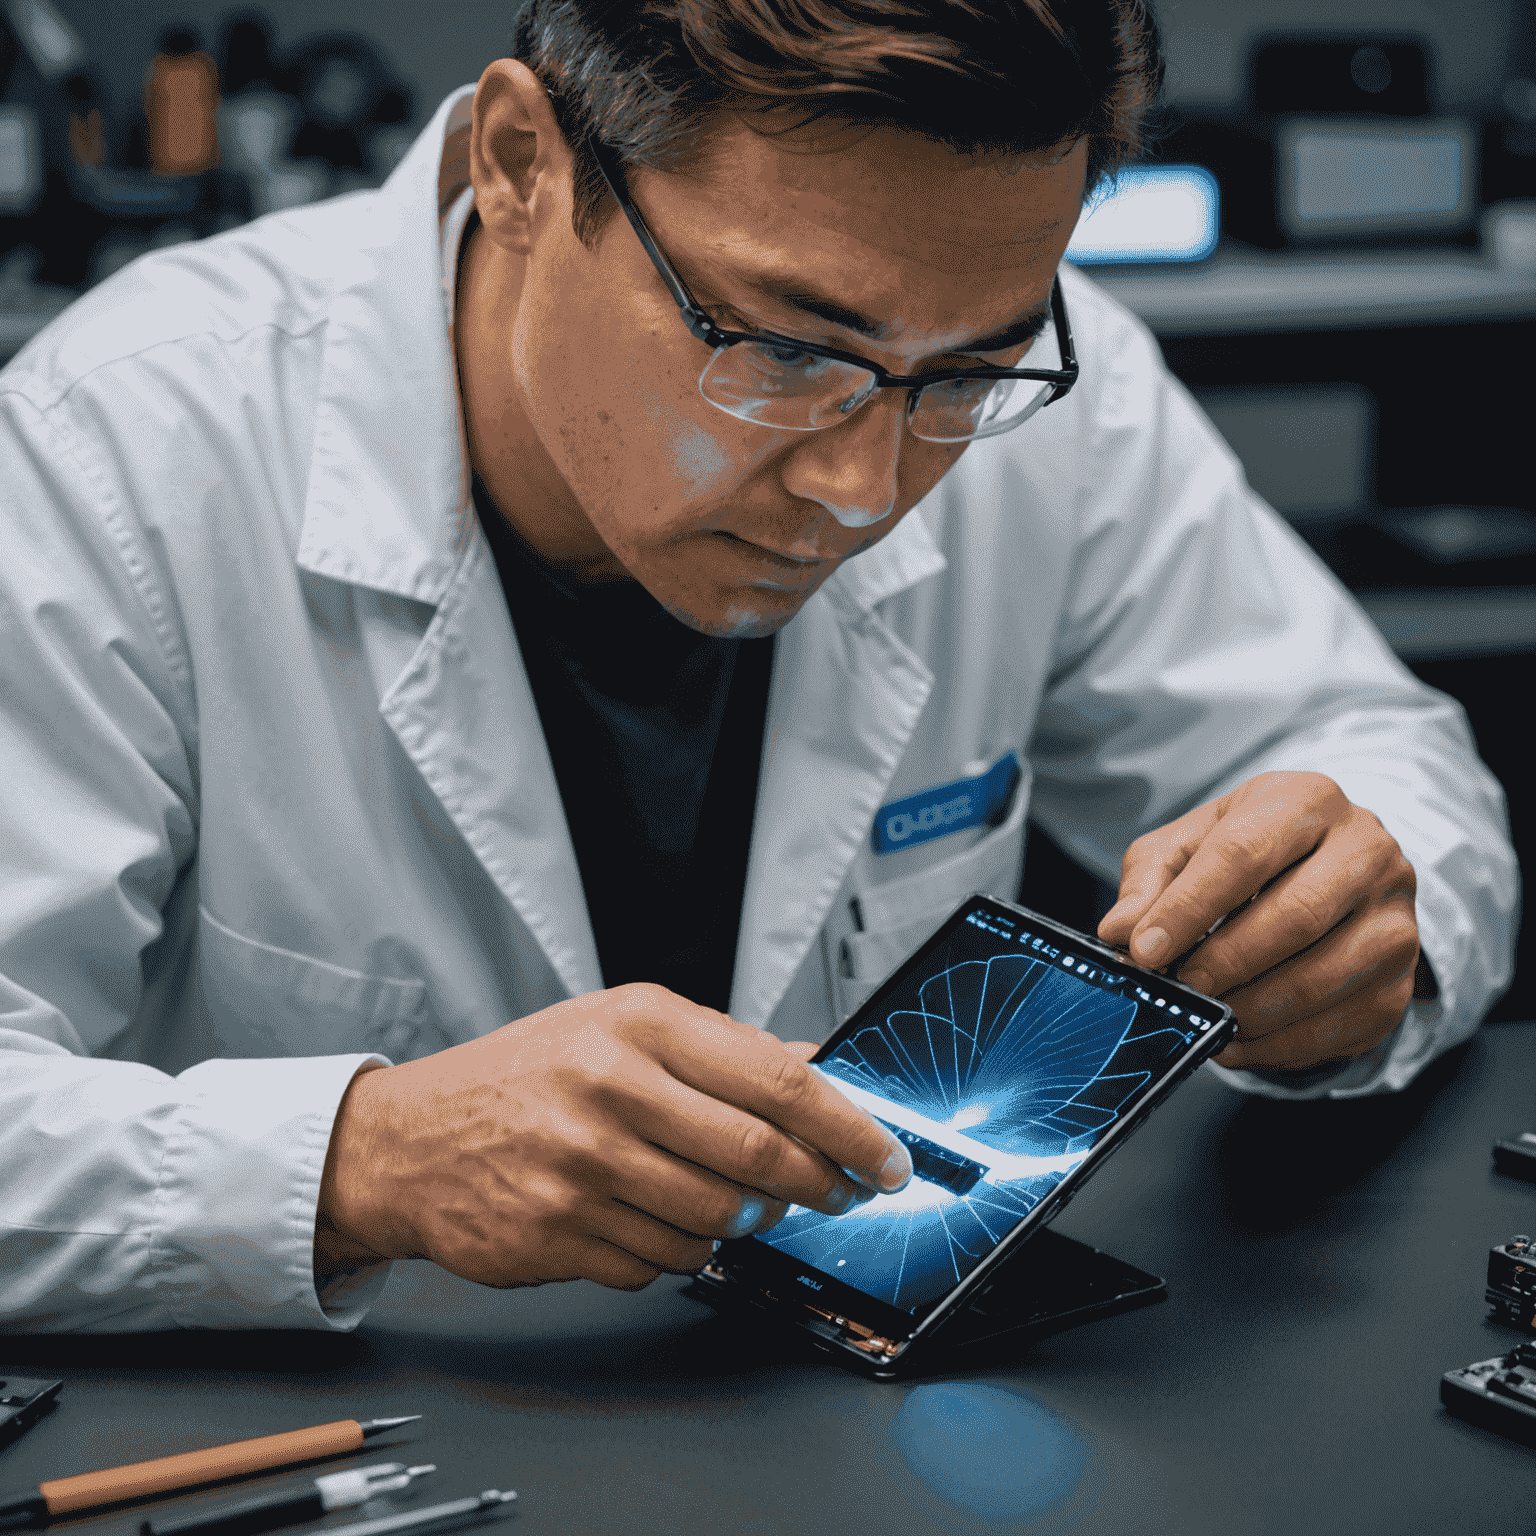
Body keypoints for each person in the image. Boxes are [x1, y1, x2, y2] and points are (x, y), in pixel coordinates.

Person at [0, 0, 1515, 1334]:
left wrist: (1367, 905)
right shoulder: (114, 455)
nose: (864, 485)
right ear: (527, 166)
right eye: (788, 350)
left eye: (970, 371)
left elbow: (1374, 746)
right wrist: (362, 1158)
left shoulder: (1062, 394)